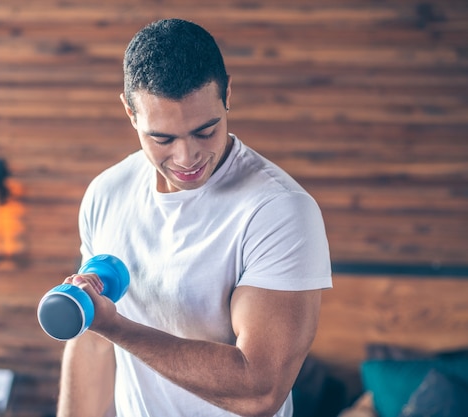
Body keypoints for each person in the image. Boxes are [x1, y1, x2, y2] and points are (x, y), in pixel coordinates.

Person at [56, 18, 332, 417]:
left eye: (206, 131)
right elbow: (94, 341)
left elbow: (259, 391)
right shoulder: (107, 193)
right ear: (130, 112)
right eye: (162, 138)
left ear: (228, 95)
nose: (187, 158)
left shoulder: (279, 211)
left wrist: (115, 325)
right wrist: (102, 324)